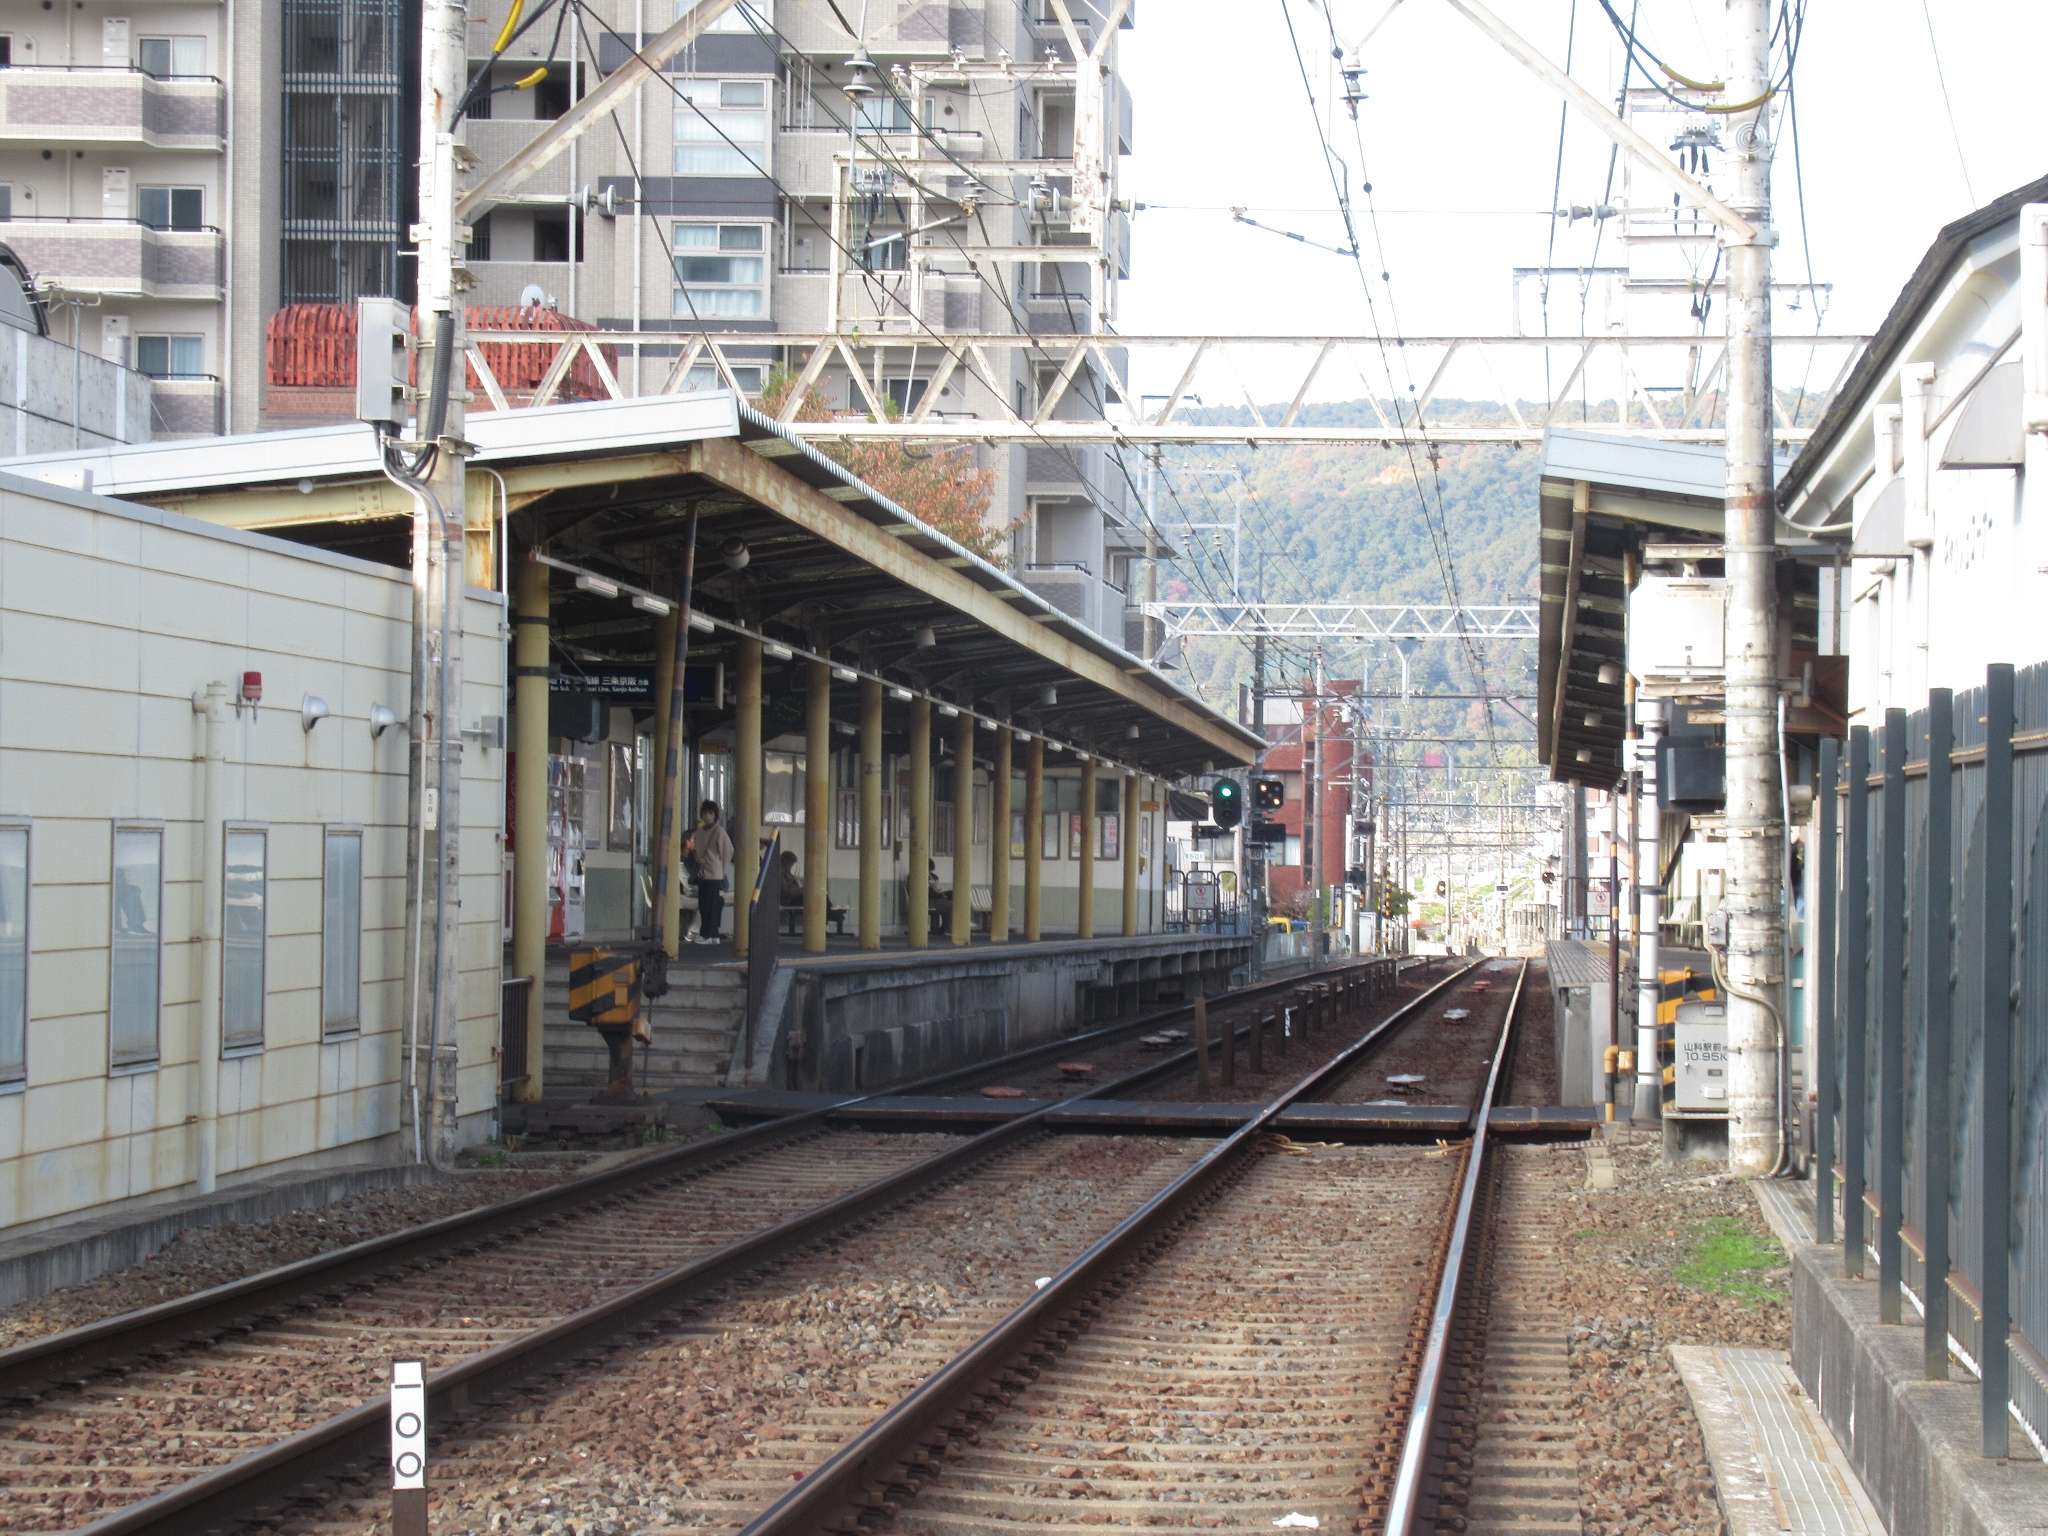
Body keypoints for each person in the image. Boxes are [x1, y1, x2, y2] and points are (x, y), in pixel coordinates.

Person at [685, 800, 733, 944]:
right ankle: (713, 935)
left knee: (710, 905)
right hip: (703, 873)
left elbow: (728, 850)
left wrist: (721, 867)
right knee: (704, 904)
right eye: (705, 813)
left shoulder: (719, 831)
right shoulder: (699, 832)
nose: (707, 816)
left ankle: (708, 934)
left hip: (714, 874)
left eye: (710, 813)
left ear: (715, 815)